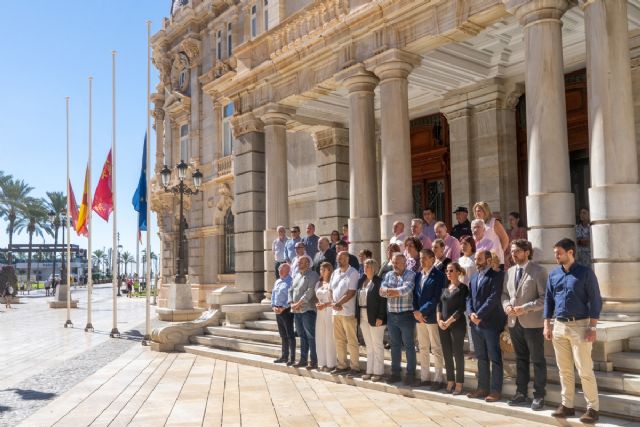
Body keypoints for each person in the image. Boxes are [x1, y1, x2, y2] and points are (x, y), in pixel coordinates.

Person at [544, 238, 602, 424]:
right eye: (555, 253)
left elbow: (595, 301)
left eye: (559, 253)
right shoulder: (553, 275)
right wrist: (547, 324)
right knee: (564, 370)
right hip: (559, 326)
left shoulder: (585, 274)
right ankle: (567, 405)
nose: (556, 256)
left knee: (584, 369)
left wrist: (592, 326)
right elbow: (548, 301)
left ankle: (592, 408)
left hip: (581, 326)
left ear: (570, 252)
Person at [502, 239, 548, 411]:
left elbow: (545, 298)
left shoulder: (539, 271)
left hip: (533, 323)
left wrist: (525, 308)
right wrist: (506, 305)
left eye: (517, 251)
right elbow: (505, 294)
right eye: (512, 251)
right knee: (520, 359)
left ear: (527, 252)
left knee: (537, 360)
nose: (513, 254)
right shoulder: (510, 271)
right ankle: (521, 393)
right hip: (514, 322)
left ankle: (539, 395)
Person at [466, 249, 506, 403]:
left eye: (480, 259)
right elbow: (469, 297)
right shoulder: (474, 277)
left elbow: (494, 298)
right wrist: (471, 314)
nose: (476, 262)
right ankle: (482, 388)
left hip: (490, 323)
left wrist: (479, 315)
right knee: (481, 357)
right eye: (476, 259)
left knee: (494, 358)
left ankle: (496, 391)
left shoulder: (497, 276)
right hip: (475, 324)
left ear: (489, 260)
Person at [380, 253, 417, 385]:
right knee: (394, 346)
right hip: (392, 315)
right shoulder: (389, 275)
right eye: (393, 262)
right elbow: (381, 290)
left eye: (398, 262)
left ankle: (411, 374)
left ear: (404, 263)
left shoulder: (411, 275)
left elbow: (406, 290)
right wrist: (392, 291)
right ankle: (395, 373)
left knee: (409, 346)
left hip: (406, 315)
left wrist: (390, 291)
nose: (395, 265)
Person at [413, 249, 445, 390]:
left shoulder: (439, 275)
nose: (422, 261)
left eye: (425, 258)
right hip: (419, 318)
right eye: (420, 258)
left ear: (433, 259)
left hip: (431, 317)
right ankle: (424, 377)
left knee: (436, 348)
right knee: (423, 348)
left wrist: (422, 311)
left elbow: (436, 297)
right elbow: (414, 295)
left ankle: (438, 379)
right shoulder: (418, 275)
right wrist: (415, 311)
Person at [438, 262, 469, 395]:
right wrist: (439, 320)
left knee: (458, 354)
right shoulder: (445, 287)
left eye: (451, 271)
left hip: (457, 324)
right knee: (446, 353)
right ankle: (450, 380)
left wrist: (449, 321)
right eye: (447, 271)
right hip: (443, 325)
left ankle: (459, 383)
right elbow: (439, 305)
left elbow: (462, 308)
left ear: (458, 272)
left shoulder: (463, 288)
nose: (448, 273)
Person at [330, 251, 360, 377]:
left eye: (341, 258)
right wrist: (333, 303)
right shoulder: (335, 272)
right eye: (338, 259)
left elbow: (351, 292)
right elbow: (331, 290)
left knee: (352, 340)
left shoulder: (353, 272)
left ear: (347, 259)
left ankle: (355, 367)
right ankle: (341, 365)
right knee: (339, 340)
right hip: (335, 312)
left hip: (348, 312)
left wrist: (339, 303)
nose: (339, 261)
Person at [356, 258, 387, 381]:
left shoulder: (379, 281)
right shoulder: (361, 281)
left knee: (377, 344)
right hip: (363, 314)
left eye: (368, 266)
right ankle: (369, 371)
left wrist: (381, 316)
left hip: (375, 316)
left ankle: (378, 372)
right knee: (369, 344)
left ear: (374, 268)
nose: (365, 268)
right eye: (364, 265)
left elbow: (383, 301)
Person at [288, 255, 319, 369]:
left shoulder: (313, 275)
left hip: (307, 310)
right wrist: (291, 302)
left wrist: (298, 303)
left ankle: (314, 361)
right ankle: (303, 360)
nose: (298, 264)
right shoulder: (296, 275)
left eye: (301, 262)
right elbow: (290, 289)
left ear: (307, 264)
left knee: (310, 335)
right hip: (296, 310)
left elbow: (310, 291)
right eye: (298, 262)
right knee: (301, 335)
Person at [271, 264, 295, 365]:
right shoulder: (278, 281)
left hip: (287, 311)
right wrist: (273, 306)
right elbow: (273, 295)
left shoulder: (291, 281)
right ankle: (284, 356)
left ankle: (292, 358)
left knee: (290, 335)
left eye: (282, 269)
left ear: (288, 270)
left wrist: (283, 307)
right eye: (279, 269)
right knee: (283, 335)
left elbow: (292, 297)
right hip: (277, 311)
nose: (280, 271)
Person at [315, 262, 336, 372]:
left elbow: (334, 300)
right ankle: (322, 362)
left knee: (329, 336)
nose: (322, 271)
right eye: (321, 269)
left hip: (329, 310)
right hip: (320, 311)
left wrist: (325, 305)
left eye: (324, 269)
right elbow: (317, 298)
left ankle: (331, 363)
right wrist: (318, 304)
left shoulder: (332, 283)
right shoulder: (318, 283)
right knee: (321, 336)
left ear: (329, 270)